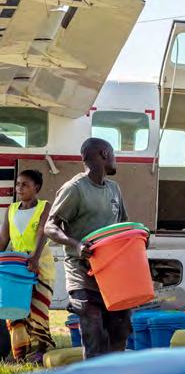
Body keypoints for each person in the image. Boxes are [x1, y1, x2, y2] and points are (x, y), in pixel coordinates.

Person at [45, 138, 134, 359]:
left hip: (113, 274)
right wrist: (76, 244)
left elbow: (123, 226)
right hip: (83, 274)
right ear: (103, 154)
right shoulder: (75, 189)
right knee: (94, 333)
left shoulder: (114, 189)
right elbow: (50, 227)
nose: (115, 160)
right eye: (113, 154)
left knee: (120, 330)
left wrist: (138, 240)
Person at [0, 170, 55, 361]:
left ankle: (41, 349)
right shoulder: (12, 209)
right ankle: (20, 353)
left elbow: (42, 231)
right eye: (18, 184)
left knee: (38, 309)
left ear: (36, 188)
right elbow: (4, 238)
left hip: (40, 264)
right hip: (15, 265)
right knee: (14, 307)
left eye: (25, 185)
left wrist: (34, 258)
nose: (19, 188)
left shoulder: (44, 207)